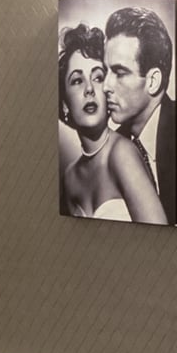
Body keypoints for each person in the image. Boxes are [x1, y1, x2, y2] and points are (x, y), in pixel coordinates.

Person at [94, 4, 175, 225]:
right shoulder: (112, 147)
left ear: (153, 81)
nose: (106, 86)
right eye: (106, 71)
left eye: (120, 73)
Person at [56, 23, 115, 216]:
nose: (89, 89)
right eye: (77, 80)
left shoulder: (122, 154)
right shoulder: (70, 177)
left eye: (98, 78)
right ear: (65, 104)